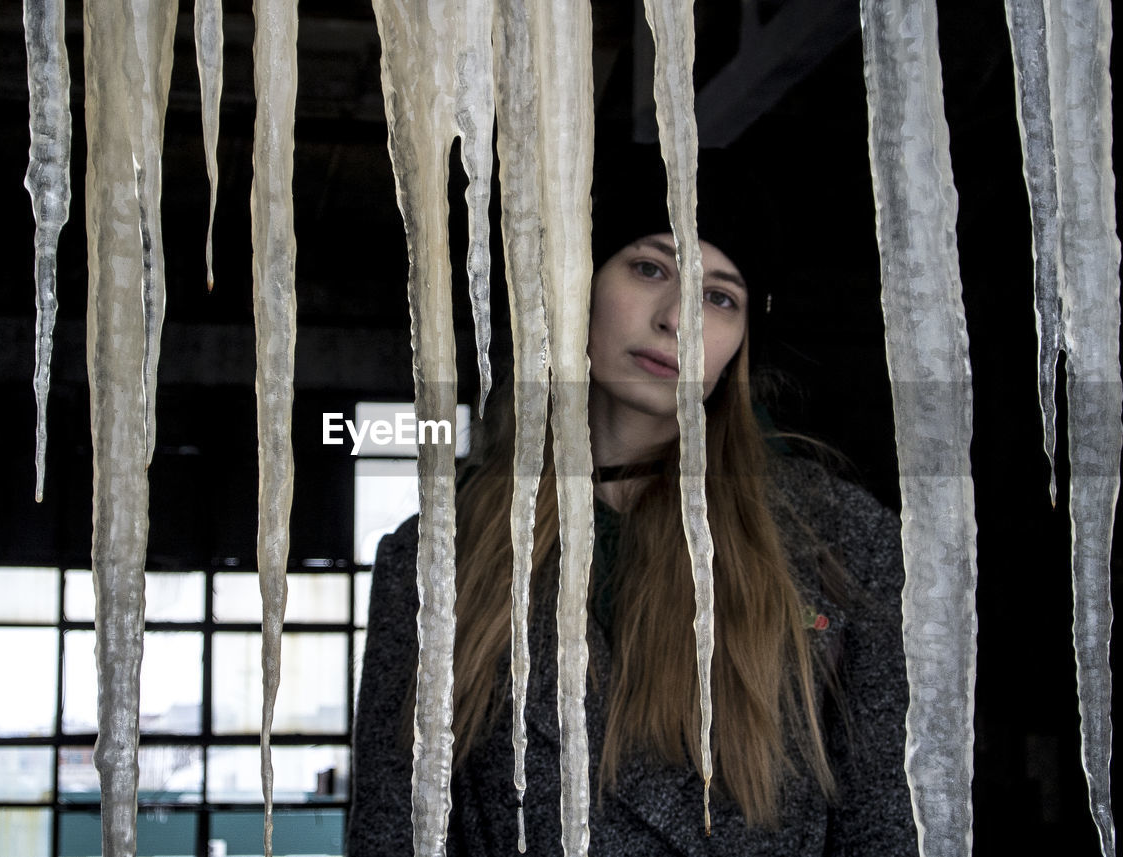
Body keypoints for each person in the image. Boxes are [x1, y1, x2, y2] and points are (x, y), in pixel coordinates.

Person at [347, 145, 916, 855]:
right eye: (650, 268)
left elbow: (889, 827)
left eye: (720, 295)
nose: (676, 317)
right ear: (580, 282)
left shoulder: (843, 545)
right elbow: (393, 832)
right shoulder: (435, 559)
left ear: (741, 342)